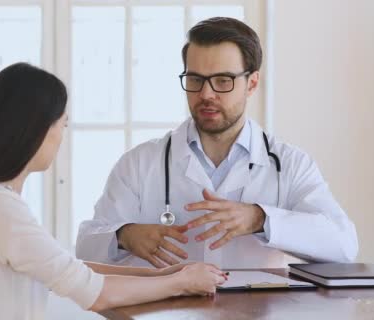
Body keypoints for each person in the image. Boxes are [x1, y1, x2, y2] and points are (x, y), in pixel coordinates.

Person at [0, 63, 226, 319]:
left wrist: (159, 275)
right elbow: (96, 294)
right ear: (34, 129)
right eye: (63, 124)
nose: (62, 137)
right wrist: (182, 283)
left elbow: (69, 268)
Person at [76, 17, 358, 269]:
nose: (206, 94)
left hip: (257, 312)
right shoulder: (140, 163)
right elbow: (85, 247)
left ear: (252, 83)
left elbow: (344, 245)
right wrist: (124, 236)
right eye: (196, 79)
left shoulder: (290, 164)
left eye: (223, 81)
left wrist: (260, 219)